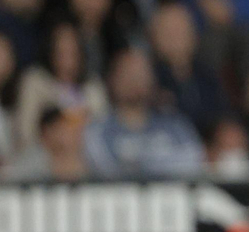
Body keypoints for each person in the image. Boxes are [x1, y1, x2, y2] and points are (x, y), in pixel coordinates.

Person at [81, 47, 206, 179]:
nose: (135, 81)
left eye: (141, 73)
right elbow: (103, 169)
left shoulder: (176, 127)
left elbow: (193, 162)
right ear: (112, 80)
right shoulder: (97, 130)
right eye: (128, 74)